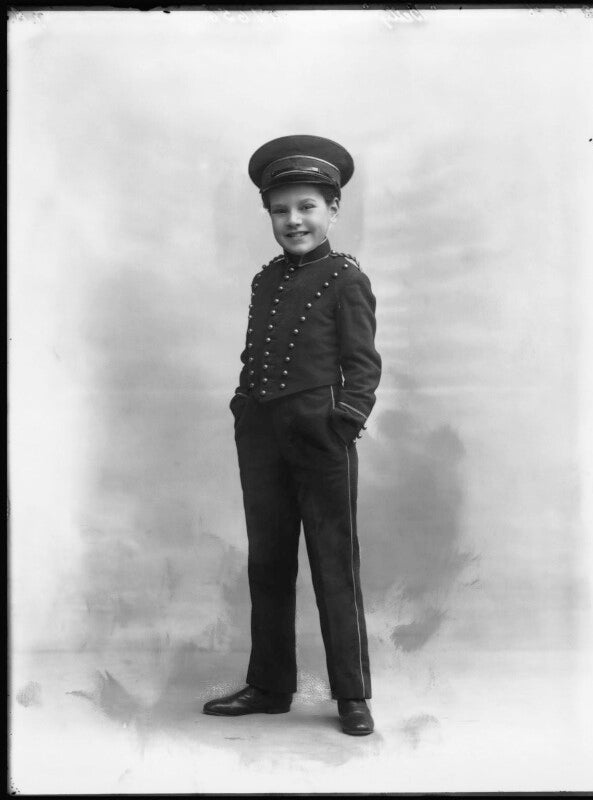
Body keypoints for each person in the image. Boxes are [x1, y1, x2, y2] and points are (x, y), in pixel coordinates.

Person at [202, 135, 382, 735]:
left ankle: (351, 695)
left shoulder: (346, 278)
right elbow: (254, 353)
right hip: (262, 435)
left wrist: (345, 420)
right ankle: (270, 685)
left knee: (334, 563)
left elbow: (363, 365)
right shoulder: (266, 280)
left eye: (306, 207)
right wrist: (243, 405)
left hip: (320, 433)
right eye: (280, 210)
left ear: (333, 208)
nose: (293, 220)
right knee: (268, 563)